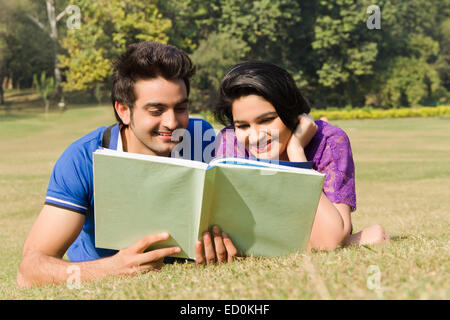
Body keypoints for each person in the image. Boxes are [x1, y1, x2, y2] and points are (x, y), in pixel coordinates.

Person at [17, 41, 237, 288]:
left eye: (181, 108)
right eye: (156, 110)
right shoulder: (82, 158)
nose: (173, 122)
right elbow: (29, 270)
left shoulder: (201, 137)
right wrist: (112, 268)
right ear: (123, 110)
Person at [214, 61, 390, 251]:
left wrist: (296, 153)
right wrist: (351, 240)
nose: (255, 136)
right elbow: (229, 237)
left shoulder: (329, 141)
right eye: (242, 126)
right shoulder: (230, 143)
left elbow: (329, 240)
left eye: (266, 120)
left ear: (291, 112)